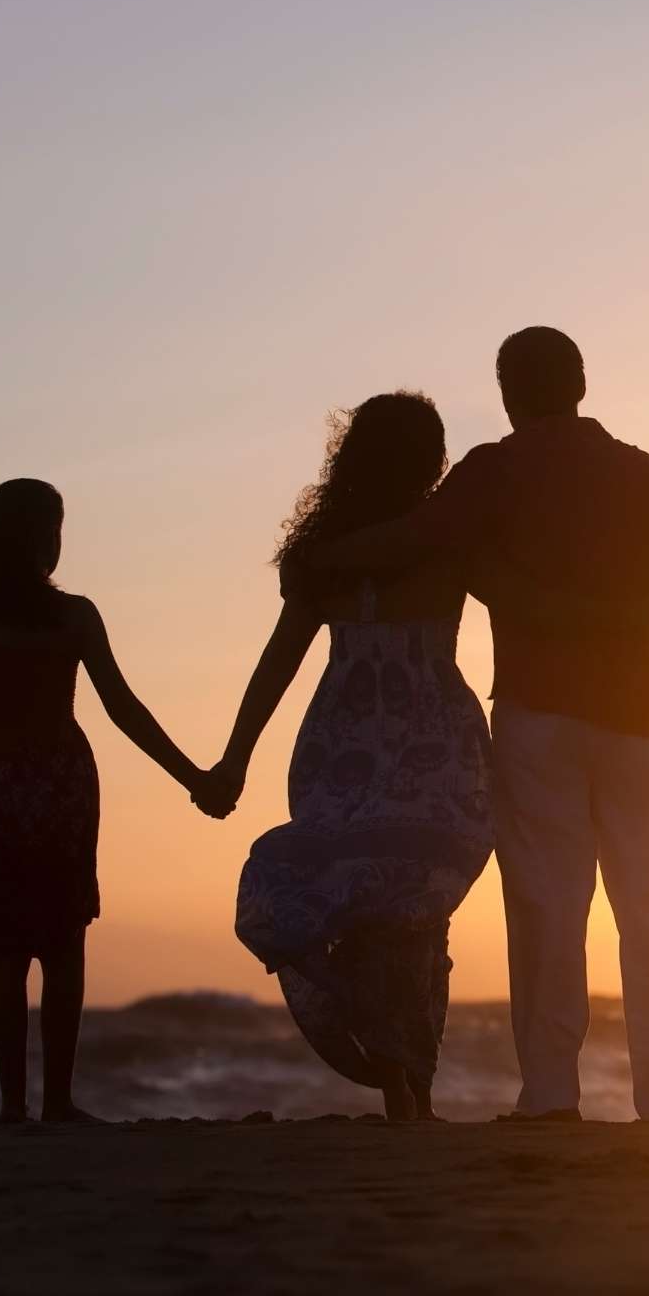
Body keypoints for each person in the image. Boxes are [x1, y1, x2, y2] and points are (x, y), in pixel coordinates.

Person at [307, 326, 649, 1122]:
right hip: (644, 726)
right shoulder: (645, 474)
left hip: (540, 722)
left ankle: (553, 1099)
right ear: (583, 384)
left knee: (547, 910)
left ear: (506, 392)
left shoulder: (493, 470)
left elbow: (412, 538)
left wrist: (321, 559)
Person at [205, 393, 495, 1121]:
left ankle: (401, 1078)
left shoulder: (323, 555)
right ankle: (410, 1084)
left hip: (343, 744)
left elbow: (277, 664)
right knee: (417, 911)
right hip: (433, 739)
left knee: (371, 906)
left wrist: (236, 757)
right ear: (430, 459)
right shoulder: (446, 538)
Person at [0, 478, 212, 1124]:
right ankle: (58, 1102)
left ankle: (11, 1106)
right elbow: (124, 710)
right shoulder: (74, 616)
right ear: (37, 540)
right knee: (62, 945)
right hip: (59, 788)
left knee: (5, 953)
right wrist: (193, 777)